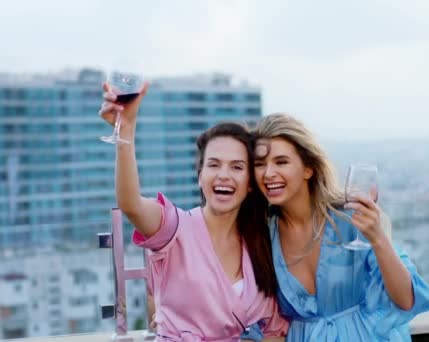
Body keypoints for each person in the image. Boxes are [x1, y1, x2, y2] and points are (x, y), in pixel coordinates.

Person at [98, 83, 288, 341]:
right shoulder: (174, 228)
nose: (223, 175)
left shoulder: (260, 246)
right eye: (213, 164)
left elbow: (275, 328)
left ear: (251, 184)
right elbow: (131, 205)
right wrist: (126, 132)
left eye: (236, 167)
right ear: (200, 177)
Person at [252, 113, 429, 341]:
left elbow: (406, 299)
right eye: (260, 164)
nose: (268, 173)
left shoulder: (352, 219)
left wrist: (377, 237)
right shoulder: (262, 238)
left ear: (308, 168)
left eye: (281, 162)